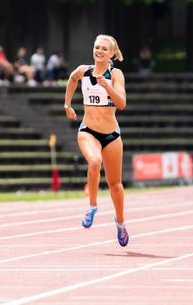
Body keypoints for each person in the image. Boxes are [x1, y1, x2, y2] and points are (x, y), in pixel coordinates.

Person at [63, 34, 129, 247]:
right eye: (96, 47)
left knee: (115, 184)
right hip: (88, 130)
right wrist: (67, 105)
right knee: (94, 162)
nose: (99, 51)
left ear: (111, 54)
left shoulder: (115, 74)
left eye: (103, 49)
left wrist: (107, 86)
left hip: (111, 135)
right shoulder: (84, 71)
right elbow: (72, 79)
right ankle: (92, 206)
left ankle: (120, 223)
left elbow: (122, 104)